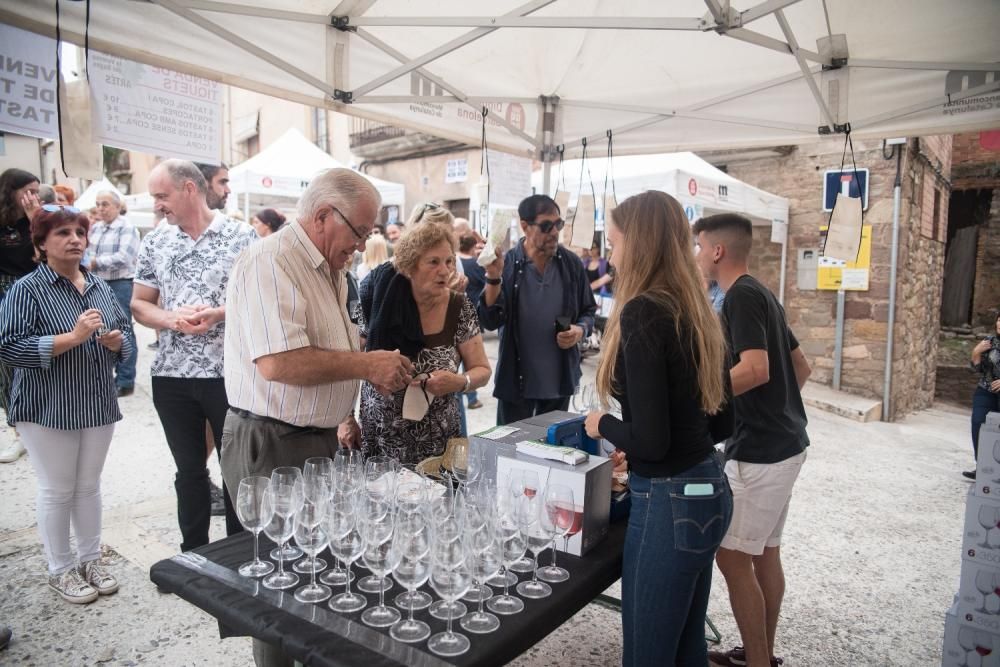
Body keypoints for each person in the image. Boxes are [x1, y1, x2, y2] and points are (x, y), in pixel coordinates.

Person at [221, 168, 412, 667]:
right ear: (324, 214)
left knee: (317, 568)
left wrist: (347, 410)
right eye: (361, 231)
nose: (363, 242)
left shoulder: (334, 270)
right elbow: (279, 363)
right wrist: (367, 365)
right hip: (272, 440)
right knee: (278, 576)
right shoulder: (271, 261)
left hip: (316, 437)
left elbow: (333, 349)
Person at [583, 190, 733, 666]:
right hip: (707, 486)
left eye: (616, 239)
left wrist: (602, 423)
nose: (612, 252)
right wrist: (653, 443)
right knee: (687, 648)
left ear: (639, 242)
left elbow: (652, 440)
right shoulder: (695, 308)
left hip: (669, 502)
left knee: (649, 655)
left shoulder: (644, 310)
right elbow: (723, 417)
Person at [692, 213, 811, 667]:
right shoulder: (762, 293)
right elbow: (800, 367)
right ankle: (758, 653)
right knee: (763, 554)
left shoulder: (740, 296)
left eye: (701, 246)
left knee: (732, 556)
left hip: (762, 453)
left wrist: (700, 398)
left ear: (717, 250)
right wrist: (774, 408)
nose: (699, 255)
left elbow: (756, 369)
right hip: (785, 443)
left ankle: (759, 662)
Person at [0, 205, 132, 604]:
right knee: (57, 489)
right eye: (62, 233)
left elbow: (125, 336)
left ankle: (90, 559)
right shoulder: (26, 289)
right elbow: (9, 347)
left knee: (88, 487)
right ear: (41, 243)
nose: (74, 239)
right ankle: (60, 568)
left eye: (79, 231)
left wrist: (115, 342)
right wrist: (71, 338)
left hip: (95, 402)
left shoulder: (99, 286)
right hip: (47, 408)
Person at [131, 159, 254, 552]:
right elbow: (139, 304)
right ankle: (193, 554)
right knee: (189, 471)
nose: (157, 206)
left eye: (161, 196)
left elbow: (258, 304)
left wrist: (219, 314)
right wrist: (169, 318)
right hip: (172, 376)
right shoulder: (155, 241)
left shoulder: (242, 235)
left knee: (235, 470)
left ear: (189, 189)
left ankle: (237, 555)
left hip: (228, 374)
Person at [357, 222, 491, 464]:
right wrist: (345, 419)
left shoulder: (460, 307)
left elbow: (482, 370)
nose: (445, 270)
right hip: (380, 436)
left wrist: (460, 382)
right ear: (410, 266)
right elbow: (351, 359)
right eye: (433, 262)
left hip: (439, 441)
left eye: (449, 261)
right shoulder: (379, 298)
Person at [479, 194, 596, 425]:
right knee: (510, 451)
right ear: (525, 226)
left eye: (558, 224)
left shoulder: (571, 264)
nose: (554, 232)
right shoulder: (508, 263)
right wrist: (493, 277)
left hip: (560, 380)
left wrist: (579, 330)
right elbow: (489, 320)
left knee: (553, 452)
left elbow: (589, 310)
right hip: (516, 382)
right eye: (546, 225)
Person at [0, 169, 41, 464]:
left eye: (37, 190)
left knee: (38, 360)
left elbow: (46, 254)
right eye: (28, 190)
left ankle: (40, 427)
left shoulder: (41, 219)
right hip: (4, 292)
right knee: (7, 367)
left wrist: (35, 218)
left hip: (36, 292)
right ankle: (18, 434)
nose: (33, 196)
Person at [89, 189, 141, 397]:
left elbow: (124, 258)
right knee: (99, 329)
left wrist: (94, 263)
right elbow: (87, 253)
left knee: (122, 330)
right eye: (98, 204)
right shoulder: (96, 228)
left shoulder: (127, 227)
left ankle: (126, 380)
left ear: (117, 207)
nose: (100, 208)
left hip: (120, 283)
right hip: (98, 283)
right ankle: (108, 376)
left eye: (105, 204)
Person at [968, 313, 1000, 479]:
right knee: (978, 422)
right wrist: (976, 352)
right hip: (986, 391)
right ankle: (982, 466)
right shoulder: (990, 342)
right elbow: (978, 370)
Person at [457, 233, 486, 409]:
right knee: (469, 359)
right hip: (474, 307)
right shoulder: (477, 264)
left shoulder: (458, 261)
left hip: (449, 419)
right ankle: (472, 397)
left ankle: (470, 394)